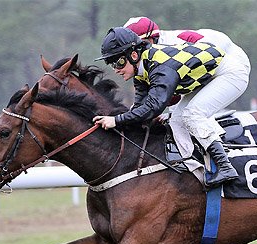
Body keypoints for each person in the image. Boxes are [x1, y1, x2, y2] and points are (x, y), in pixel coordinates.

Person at [93, 27, 239, 188]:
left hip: (229, 73)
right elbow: (140, 107)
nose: (116, 69)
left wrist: (116, 120)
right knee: (176, 120)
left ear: (133, 55)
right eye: (111, 64)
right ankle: (193, 167)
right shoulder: (141, 69)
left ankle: (225, 166)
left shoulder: (160, 66)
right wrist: (120, 122)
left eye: (118, 62)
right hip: (208, 77)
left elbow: (153, 107)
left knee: (192, 115)